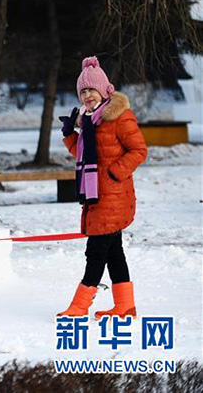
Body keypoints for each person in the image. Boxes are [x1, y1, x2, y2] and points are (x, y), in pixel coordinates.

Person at [56, 56, 147, 318]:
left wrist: (113, 173)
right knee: (113, 252)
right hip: (97, 196)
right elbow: (84, 157)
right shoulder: (89, 121)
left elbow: (139, 150)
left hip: (112, 195)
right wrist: (69, 135)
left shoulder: (119, 116)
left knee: (96, 252)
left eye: (91, 90)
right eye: (82, 91)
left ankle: (79, 306)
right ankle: (125, 307)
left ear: (104, 90)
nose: (87, 95)